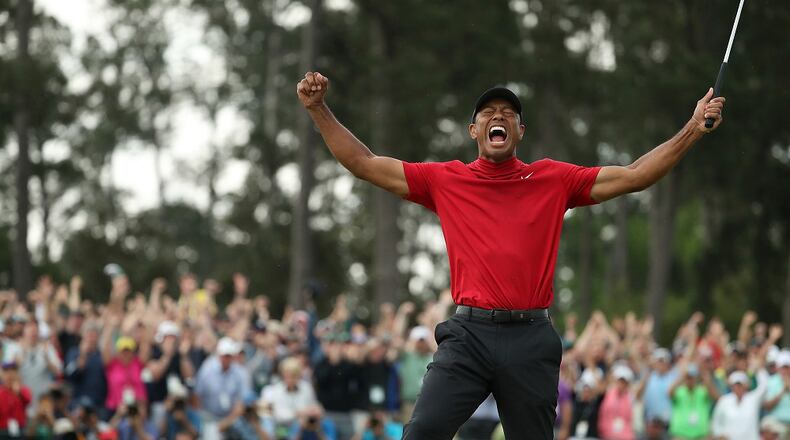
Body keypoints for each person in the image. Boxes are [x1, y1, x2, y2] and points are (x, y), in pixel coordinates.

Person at [296, 70, 725, 439]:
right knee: (423, 432)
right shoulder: (446, 180)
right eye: (488, 112)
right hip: (468, 337)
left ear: (520, 132)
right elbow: (364, 162)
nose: (498, 116)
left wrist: (692, 128)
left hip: (530, 338)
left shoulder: (553, 179)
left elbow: (634, 175)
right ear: (474, 131)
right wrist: (319, 109)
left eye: (508, 113)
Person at [711, 370, 770, 440]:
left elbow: (764, 386)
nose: (737, 387)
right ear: (731, 386)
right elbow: (716, 422)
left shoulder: (753, 398)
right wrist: (720, 434)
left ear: (745, 385)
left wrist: (759, 370)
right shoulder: (724, 400)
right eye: (735, 385)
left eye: (740, 384)